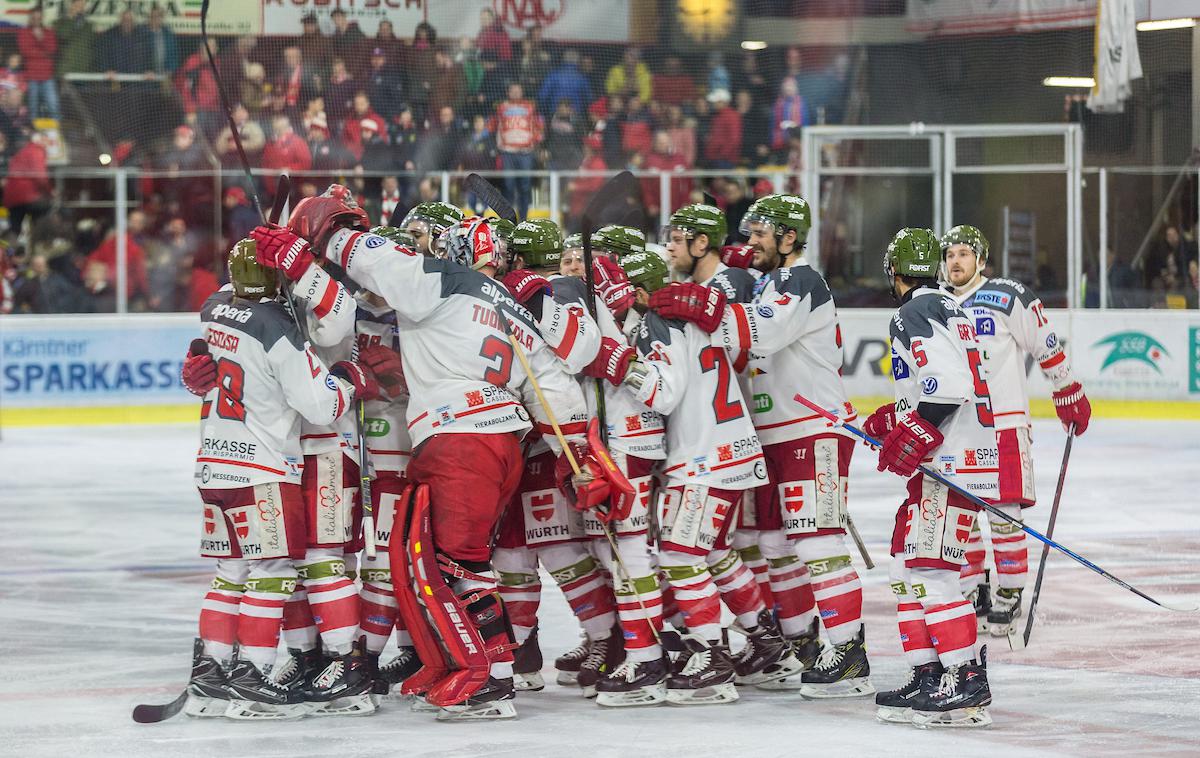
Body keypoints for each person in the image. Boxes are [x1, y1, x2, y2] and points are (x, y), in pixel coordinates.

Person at [253, 196, 603, 722]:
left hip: (460, 439)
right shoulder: (505, 301)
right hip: (494, 440)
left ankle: (493, 678)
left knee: (455, 566)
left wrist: (318, 241)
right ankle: (451, 660)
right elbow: (552, 384)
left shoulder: (443, 282)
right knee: (430, 560)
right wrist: (575, 452)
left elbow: (376, 260)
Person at [652, 195, 874, 698]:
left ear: (789, 237)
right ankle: (801, 643)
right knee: (775, 545)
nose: (748, 242)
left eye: (759, 234)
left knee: (818, 544)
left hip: (811, 428)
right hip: (773, 434)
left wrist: (701, 301)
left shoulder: (801, 279)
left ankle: (849, 651)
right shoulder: (771, 280)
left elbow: (762, 333)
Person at [174, 238, 377, 720]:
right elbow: (322, 403)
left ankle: (217, 671)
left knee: (243, 572)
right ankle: (266, 673)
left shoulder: (216, 304)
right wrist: (351, 378)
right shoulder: (279, 325)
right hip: (270, 462)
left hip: (219, 460)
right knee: (285, 571)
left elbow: (334, 318)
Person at [867, 227, 997, 728]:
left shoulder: (913, 310)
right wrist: (896, 418)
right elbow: (933, 384)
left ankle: (964, 680)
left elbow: (948, 388)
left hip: (950, 464)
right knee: (905, 565)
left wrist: (917, 431)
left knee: (932, 573)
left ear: (894, 269)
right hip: (951, 459)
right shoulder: (946, 306)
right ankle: (929, 673)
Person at [941, 225, 1091, 635]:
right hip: (957, 429)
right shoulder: (936, 303)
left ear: (981, 260)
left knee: (1003, 514)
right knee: (962, 515)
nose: (956, 261)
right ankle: (972, 586)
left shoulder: (1006, 295)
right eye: (950, 254)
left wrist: (1066, 388)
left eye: (964, 254)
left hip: (1002, 425)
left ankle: (1010, 590)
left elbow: (1045, 342)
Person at [495, 219, 622, 696]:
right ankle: (520, 647)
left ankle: (610, 640)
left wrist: (540, 299)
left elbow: (582, 350)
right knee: (511, 550)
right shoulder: (501, 291)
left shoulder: (567, 292)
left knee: (561, 548)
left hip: (559, 441)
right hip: (515, 439)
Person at [491, 83, 543, 221]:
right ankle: (509, 220)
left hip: (526, 152)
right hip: (507, 151)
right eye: (512, 90)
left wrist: (537, 139)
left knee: (525, 187)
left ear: (522, 92)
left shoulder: (530, 107)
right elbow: (493, 125)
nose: (515, 93)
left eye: (518, 90)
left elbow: (537, 125)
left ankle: (524, 219)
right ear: (508, 92)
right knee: (508, 186)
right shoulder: (501, 107)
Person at [16, 7, 58, 121]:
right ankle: (33, 134)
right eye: (34, 17)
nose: (36, 19)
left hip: (47, 76)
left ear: (42, 18)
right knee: (32, 107)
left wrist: (41, 39)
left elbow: (52, 49)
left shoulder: (49, 32)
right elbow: (25, 51)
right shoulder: (23, 32)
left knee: (53, 105)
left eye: (38, 17)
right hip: (31, 76)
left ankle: (56, 133)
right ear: (30, 18)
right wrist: (43, 53)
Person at [53, 0, 95, 80]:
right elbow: (63, 36)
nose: (81, 7)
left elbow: (91, 47)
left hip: (84, 71)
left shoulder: (89, 26)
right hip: (66, 71)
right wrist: (71, 17)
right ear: (72, 5)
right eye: (78, 5)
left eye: (83, 5)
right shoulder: (59, 23)